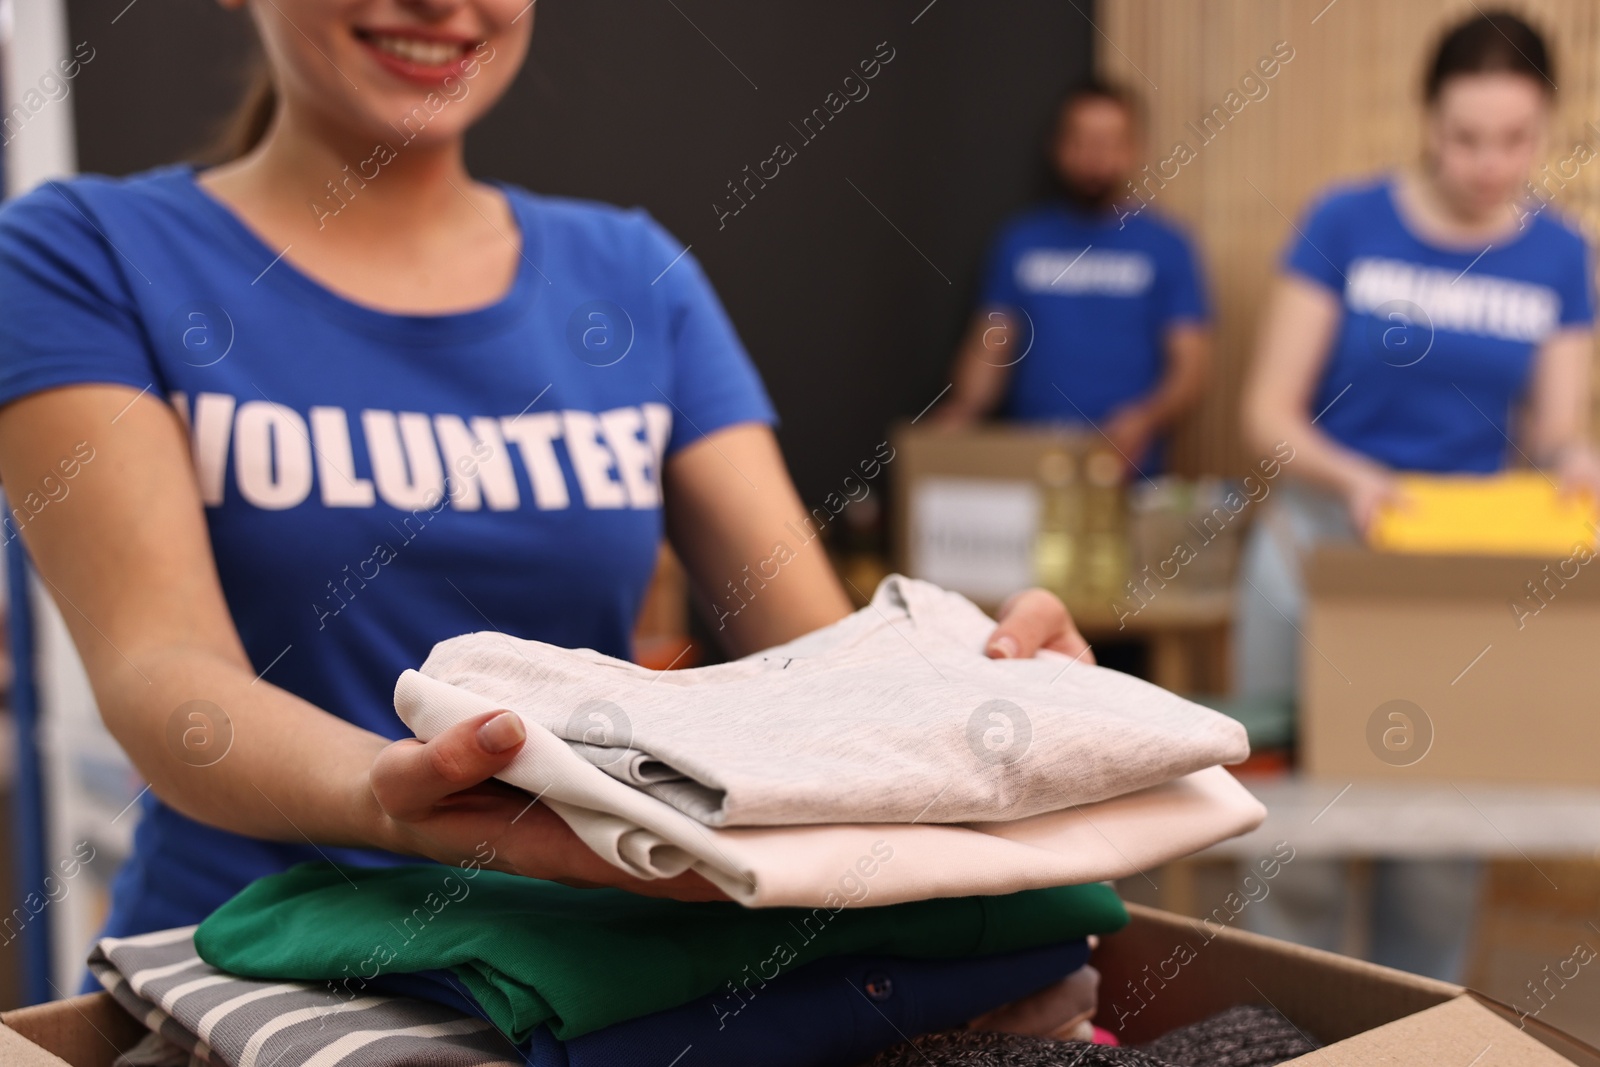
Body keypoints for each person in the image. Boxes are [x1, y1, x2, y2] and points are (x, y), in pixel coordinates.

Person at [0, 0, 1092, 956]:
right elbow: (163, 666)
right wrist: (391, 799)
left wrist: (976, 686)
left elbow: (808, 651)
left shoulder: (631, 274)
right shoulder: (82, 252)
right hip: (241, 957)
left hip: (576, 968)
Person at [1235, 10, 1599, 979]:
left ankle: (1407, 1032)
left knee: (1440, 841)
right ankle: (1287, 1026)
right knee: (1294, 832)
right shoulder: (1344, 223)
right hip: (1319, 546)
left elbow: (1555, 426)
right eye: (1465, 137)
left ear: (1546, 129)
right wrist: (1361, 478)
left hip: (1455, 570)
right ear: (1426, 121)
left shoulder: (1560, 257)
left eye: (1515, 139)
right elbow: (1265, 412)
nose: (1489, 162)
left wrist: (1573, 458)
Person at [936, 80, 1212, 477]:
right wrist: (963, 410)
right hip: (1033, 465)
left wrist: (1146, 418)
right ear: (1058, 146)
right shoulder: (1019, 241)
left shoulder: (1167, 245)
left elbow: (1192, 370)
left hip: (1128, 474)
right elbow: (992, 344)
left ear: (1134, 149)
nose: (1094, 157)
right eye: (1082, 141)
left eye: (1109, 142)